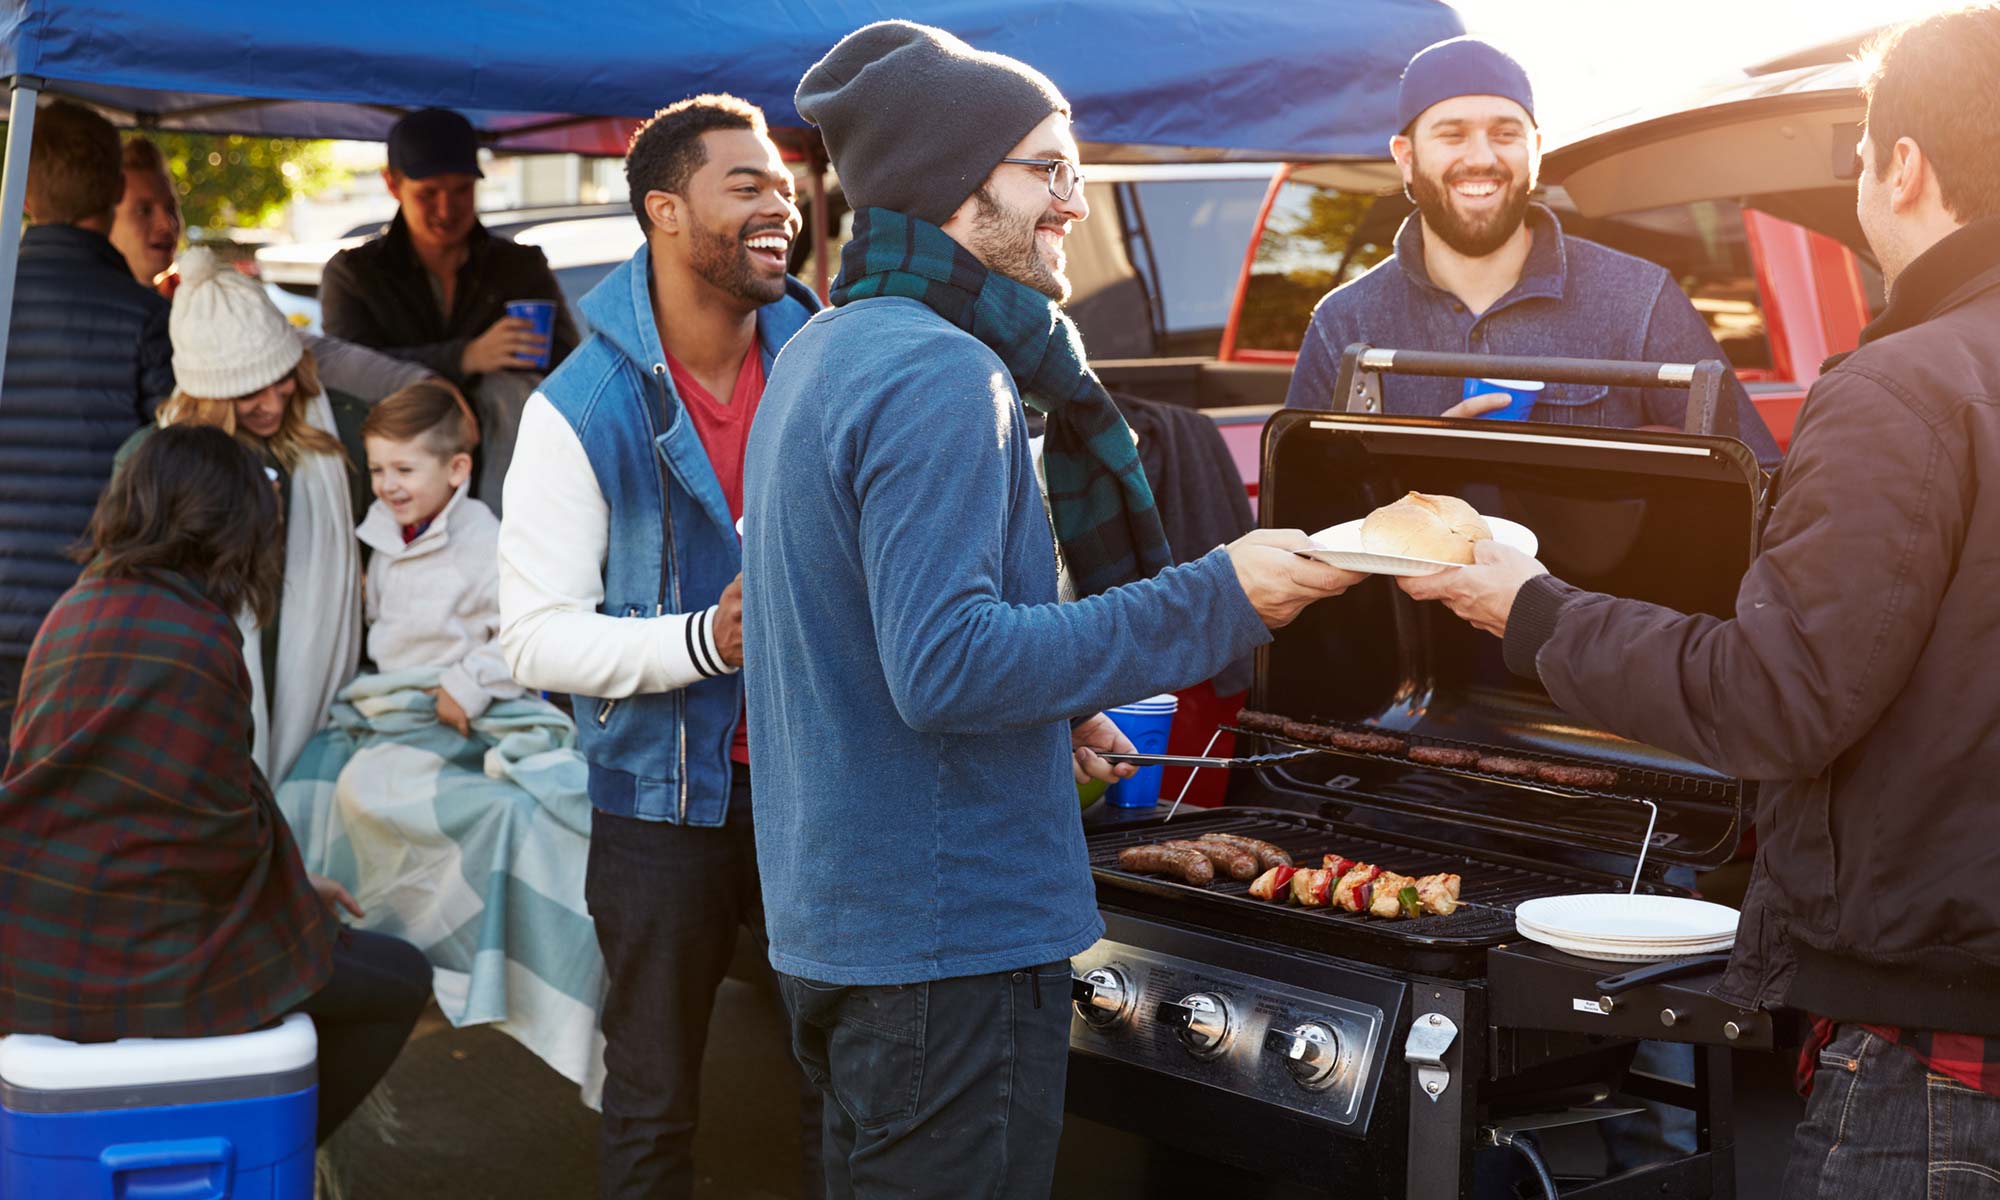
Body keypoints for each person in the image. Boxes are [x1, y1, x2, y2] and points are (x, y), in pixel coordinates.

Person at [743, 22, 1358, 1196]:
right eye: (1049, 168)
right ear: (950, 185)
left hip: (852, 924)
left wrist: (1052, 713)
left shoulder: (827, 348)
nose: (1075, 200)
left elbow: (851, 642)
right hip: (944, 941)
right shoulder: (939, 371)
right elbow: (946, 668)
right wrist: (1219, 597)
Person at [1399, 9, 2000, 1194]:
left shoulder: (1902, 387)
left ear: (1903, 165)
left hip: (1937, 1051)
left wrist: (1529, 606)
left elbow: (1778, 699)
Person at [497, 94, 822, 1200]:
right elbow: (533, 637)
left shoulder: (829, 360)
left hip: (821, 789)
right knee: (651, 1106)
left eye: (785, 183)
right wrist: (706, 640)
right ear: (665, 212)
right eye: (749, 184)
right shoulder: (577, 407)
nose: (782, 201)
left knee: (852, 1094)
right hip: (657, 810)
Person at [0, 424, 431, 1142]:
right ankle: (273, 1157)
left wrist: (292, 881)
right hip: (138, 948)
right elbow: (218, 842)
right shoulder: (194, 635)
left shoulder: (78, 603)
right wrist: (295, 896)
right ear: (229, 527)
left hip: (27, 934)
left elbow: (187, 815)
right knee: (401, 981)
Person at [1284, 37, 1781, 469]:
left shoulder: (1639, 299)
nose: (1482, 158)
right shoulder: (1344, 323)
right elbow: (1309, 517)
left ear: (1537, 151)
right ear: (1407, 158)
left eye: (1505, 134)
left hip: (1591, 582)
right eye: (1452, 134)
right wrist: (1421, 461)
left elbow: (1750, 484)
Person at [131, 247, 367, 782]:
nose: (271, 403)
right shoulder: (155, 463)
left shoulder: (344, 433)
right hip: (212, 691)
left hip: (321, 696)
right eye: (245, 393)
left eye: (279, 379)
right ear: (205, 398)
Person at [0, 100, 173, 765]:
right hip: (84, 620)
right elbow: (168, 463)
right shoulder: (140, 316)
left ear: (24, 192)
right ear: (109, 191)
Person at [321, 107, 581, 510]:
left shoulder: (519, 265)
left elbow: (570, 366)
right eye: (428, 194)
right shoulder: (354, 272)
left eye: (461, 190)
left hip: (507, 489)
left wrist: (529, 356)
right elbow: (347, 369)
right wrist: (466, 356)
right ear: (392, 184)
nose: (447, 209)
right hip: (392, 485)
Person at [109, 133, 438, 405]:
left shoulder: (198, 302)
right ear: (104, 217)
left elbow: (301, 351)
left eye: (171, 208)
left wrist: (410, 381)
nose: (166, 224)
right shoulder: (107, 314)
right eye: (143, 211)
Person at [358, 380, 518, 737]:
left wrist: (466, 687)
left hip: (458, 706)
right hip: (391, 698)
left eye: (404, 470)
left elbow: (520, 634)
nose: (387, 485)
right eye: (377, 470)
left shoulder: (482, 542)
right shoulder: (383, 531)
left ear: (457, 469)